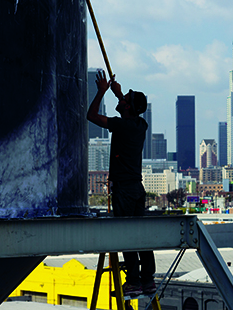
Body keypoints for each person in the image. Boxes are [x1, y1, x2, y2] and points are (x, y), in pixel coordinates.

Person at [87, 70, 155, 297]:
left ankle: (133, 282)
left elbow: (92, 116)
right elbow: (130, 112)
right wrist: (119, 96)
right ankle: (147, 280)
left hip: (125, 189)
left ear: (127, 107)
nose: (122, 97)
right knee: (141, 235)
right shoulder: (140, 125)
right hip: (137, 188)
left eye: (125, 97)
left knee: (127, 234)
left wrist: (101, 92)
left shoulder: (122, 126)